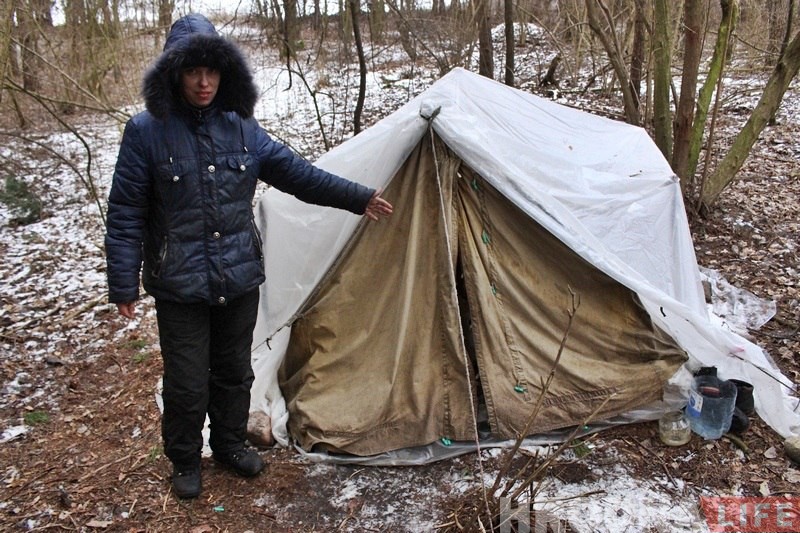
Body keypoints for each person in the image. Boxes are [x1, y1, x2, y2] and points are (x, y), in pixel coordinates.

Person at [104, 13, 393, 499]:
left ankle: (230, 444)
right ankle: (183, 458)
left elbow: (298, 174)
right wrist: (122, 281)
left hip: (237, 275)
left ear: (224, 73)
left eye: (211, 71)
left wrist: (357, 197)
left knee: (236, 370)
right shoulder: (146, 132)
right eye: (193, 71)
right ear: (174, 73)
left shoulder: (242, 127)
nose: (203, 82)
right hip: (179, 282)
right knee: (187, 381)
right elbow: (126, 209)